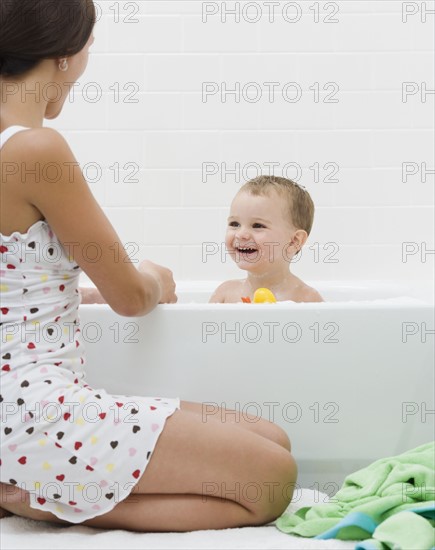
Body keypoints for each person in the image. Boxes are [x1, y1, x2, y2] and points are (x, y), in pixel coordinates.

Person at [0, 0, 297, 531]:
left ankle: (38, 487)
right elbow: (133, 298)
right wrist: (157, 278)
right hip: (27, 411)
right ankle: (33, 499)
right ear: (66, 55)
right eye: (91, 44)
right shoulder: (34, 149)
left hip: (23, 404)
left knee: (272, 439)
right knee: (270, 480)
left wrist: (68, 297)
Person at [209, 175, 324, 303]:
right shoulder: (225, 294)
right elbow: (200, 323)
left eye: (257, 225)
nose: (241, 234)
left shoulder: (306, 299)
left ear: (294, 241)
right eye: (235, 224)